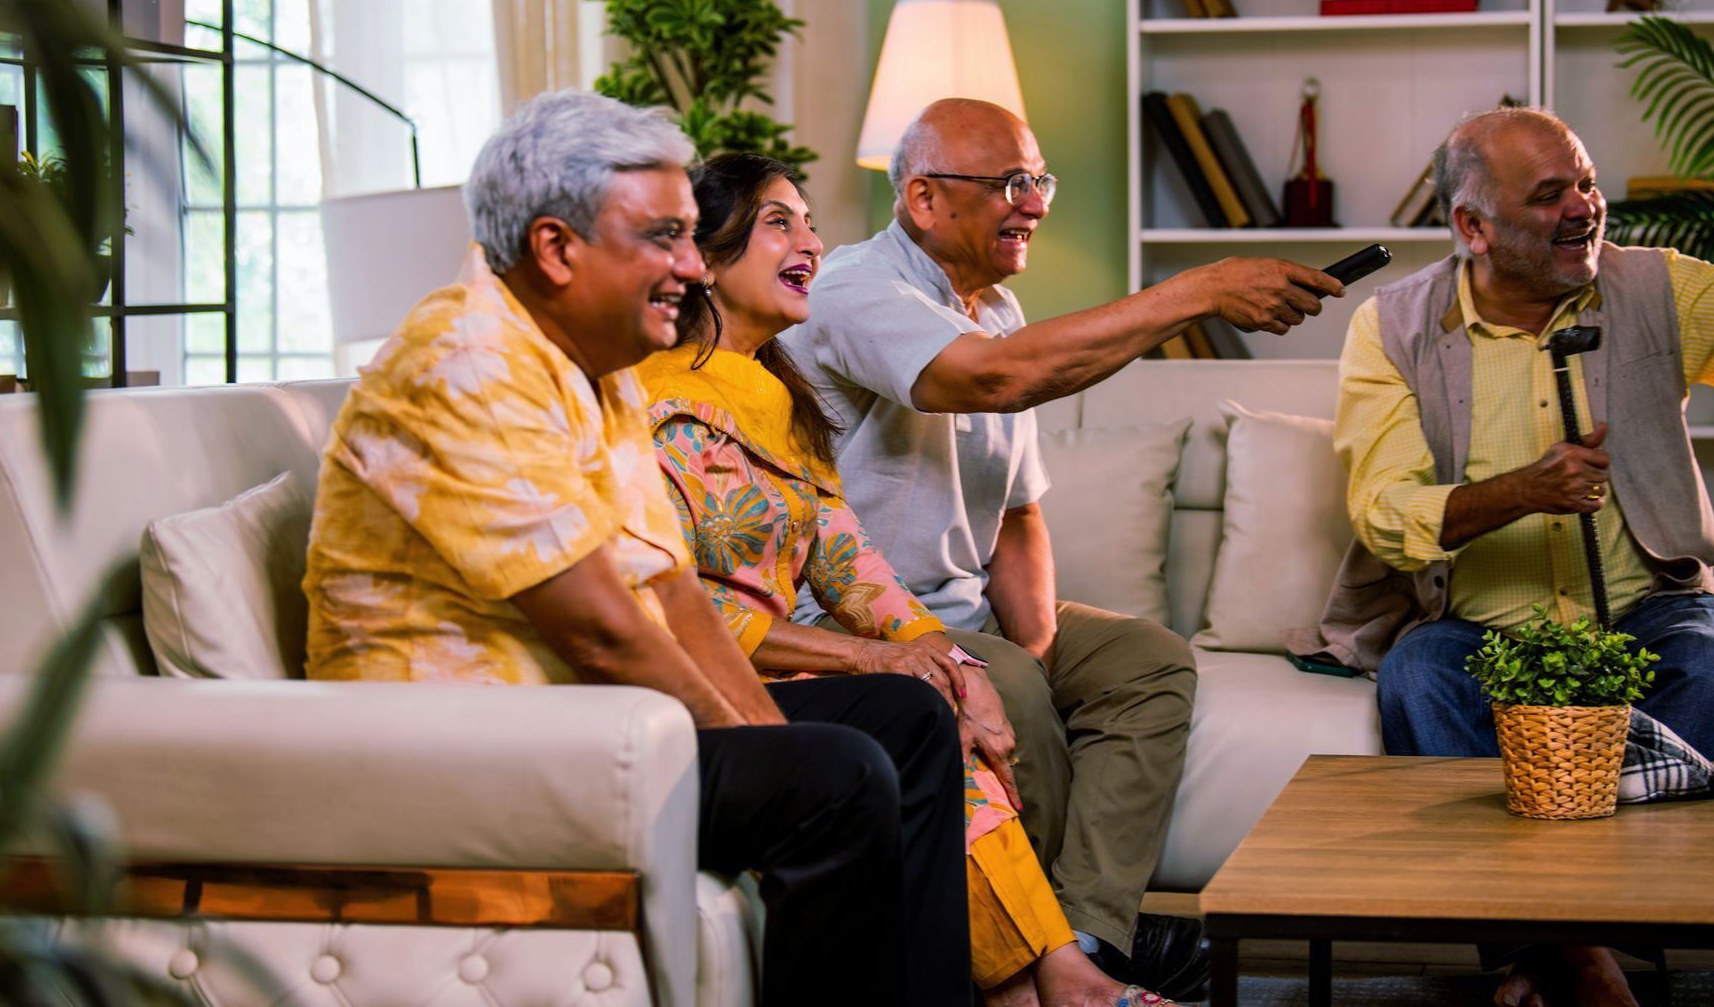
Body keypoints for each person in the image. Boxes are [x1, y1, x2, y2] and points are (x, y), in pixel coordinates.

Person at [302, 91, 972, 1007]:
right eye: (664, 238)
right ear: (555, 247)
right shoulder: (464, 360)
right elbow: (604, 632)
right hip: (465, 756)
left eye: (691, 237)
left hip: (583, 728)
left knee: (905, 719)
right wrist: (774, 759)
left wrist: (771, 748)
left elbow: (674, 594)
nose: (693, 267)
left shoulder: (595, 367)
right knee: (839, 774)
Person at [782, 97, 1346, 995]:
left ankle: (1084, 942)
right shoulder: (854, 289)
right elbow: (990, 382)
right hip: (870, 622)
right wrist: (1199, 289)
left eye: (1038, 178)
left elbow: (1018, 514)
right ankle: (1022, 963)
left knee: (1146, 660)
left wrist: (1039, 645)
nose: (1034, 202)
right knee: (1007, 686)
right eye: (1008, 183)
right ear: (923, 199)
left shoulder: (998, 310)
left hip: (967, 608)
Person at [1292, 105, 1714, 1007]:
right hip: (1480, 625)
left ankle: (1550, 955)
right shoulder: (1390, 327)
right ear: (1473, 227)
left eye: (1586, 183)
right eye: (1549, 196)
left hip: (1648, 607)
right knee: (1419, 678)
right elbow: (1386, 516)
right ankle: (1584, 959)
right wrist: (1522, 490)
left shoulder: (1657, 288)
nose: (1584, 207)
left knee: (1708, 662)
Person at [636, 152, 1166, 1007]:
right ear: (705, 257)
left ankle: (1047, 973)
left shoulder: (778, 392)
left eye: (809, 220)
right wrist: (881, 664)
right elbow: (680, 614)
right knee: (915, 707)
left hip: (788, 664)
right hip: (708, 684)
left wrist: (943, 657)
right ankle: (1036, 984)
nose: (811, 239)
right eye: (779, 222)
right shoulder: (660, 402)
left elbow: (849, 560)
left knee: (949, 694)